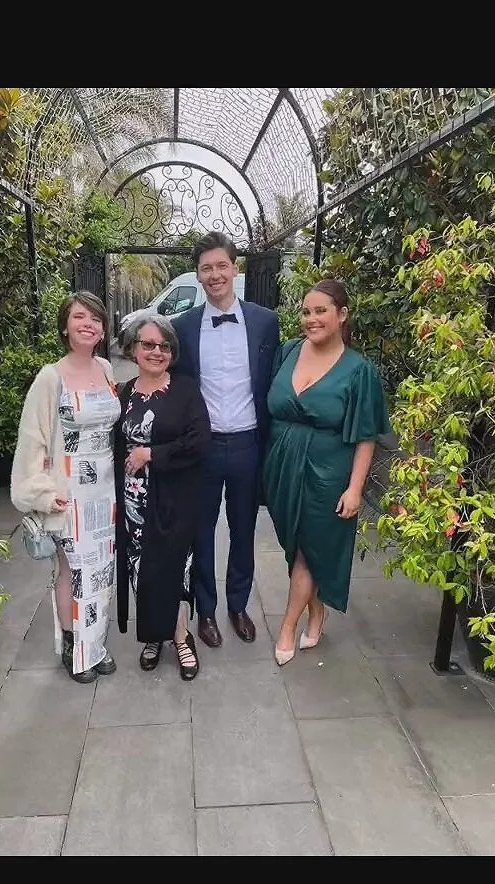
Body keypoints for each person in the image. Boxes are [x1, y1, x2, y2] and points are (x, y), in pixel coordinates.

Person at [263, 279, 392, 666]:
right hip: (283, 467)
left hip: (328, 472)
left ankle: (288, 626)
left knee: (309, 549)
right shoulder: (288, 352)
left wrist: (355, 489)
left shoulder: (358, 370)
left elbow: (366, 436)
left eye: (321, 311)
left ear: (342, 315)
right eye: (306, 311)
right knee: (297, 545)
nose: (312, 318)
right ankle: (317, 611)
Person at [173, 231, 279, 648]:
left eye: (221, 265)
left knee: (243, 529)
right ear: (198, 275)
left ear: (235, 268)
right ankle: (206, 611)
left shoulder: (265, 321)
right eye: (206, 268)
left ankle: (238, 605)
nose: (215, 274)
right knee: (200, 531)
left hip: (248, 444)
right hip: (202, 446)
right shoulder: (182, 327)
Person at [11, 291, 121, 683]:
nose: (88, 324)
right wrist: (42, 493)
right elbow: (32, 441)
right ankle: (74, 645)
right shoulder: (50, 377)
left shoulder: (106, 369)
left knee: (101, 569)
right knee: (72, 569)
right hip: (68, 492)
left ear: (103, 330)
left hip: (105, 491)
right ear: (65, 326)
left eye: (95, 319)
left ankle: (96, 644)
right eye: (79, 317)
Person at [114, 314, 211, 680]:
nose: (157, 352)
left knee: (176, 566)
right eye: (148, 344)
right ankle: (154, 634)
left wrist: (151, 454)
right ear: (133, 349)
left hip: (175, 494)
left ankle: (181, 637)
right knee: (141, 567)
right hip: (134, 499)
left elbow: (199, 441)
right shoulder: (123, 393)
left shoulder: (185, 389)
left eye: (164, 346)